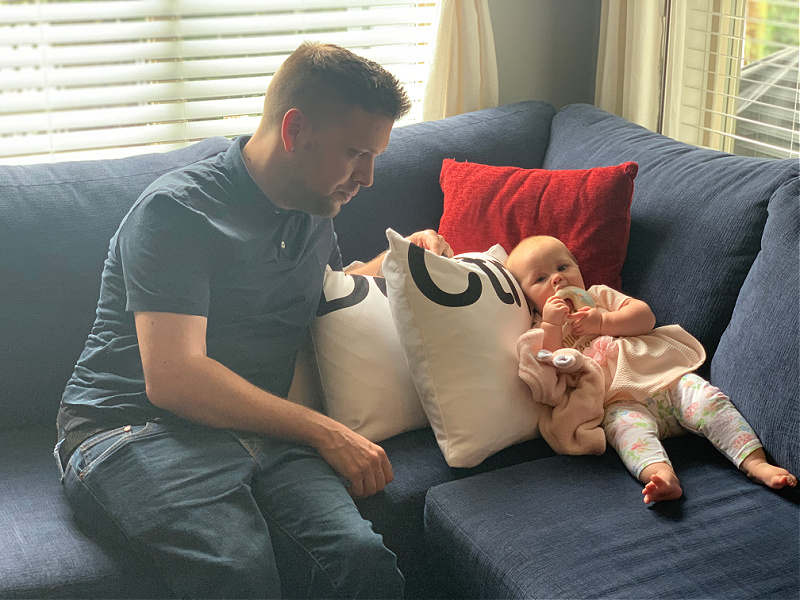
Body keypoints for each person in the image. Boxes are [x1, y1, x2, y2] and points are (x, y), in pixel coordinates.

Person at [54, 41, 452, 598]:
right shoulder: (178, 213)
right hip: (131, 427)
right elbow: (174, 377)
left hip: (254, 425)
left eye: (376, 156)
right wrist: (324, 430)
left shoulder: (314, 209)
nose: (368, 177)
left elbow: (321, 292)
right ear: (293, 132)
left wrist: (400, 261)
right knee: (237, 571)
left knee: (362, 565)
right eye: (356, 153)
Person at [506, 235, 797, 504]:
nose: (557, 278)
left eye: (563, 266)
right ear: (528, 299)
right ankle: (660, 475)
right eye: (541, 278)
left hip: (664, 380)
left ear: (578, 267)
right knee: (627, 434)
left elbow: (645, 318)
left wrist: (603, 323)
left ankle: (755, 462)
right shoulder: (541, 326)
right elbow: (553, 365)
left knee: (711, 401)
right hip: (618, 402)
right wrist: (552, 324)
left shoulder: (599, 297)